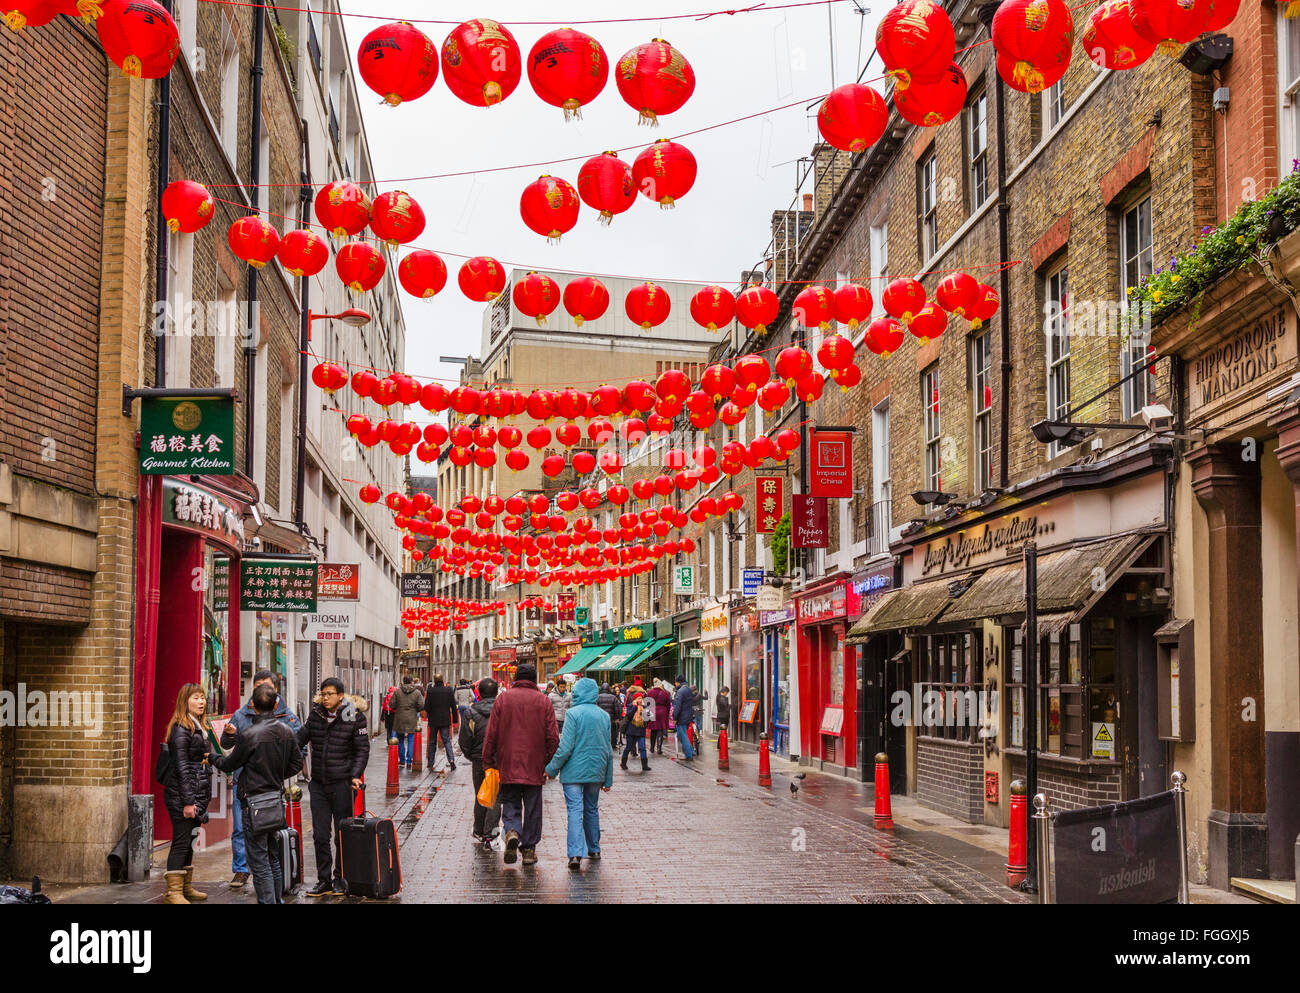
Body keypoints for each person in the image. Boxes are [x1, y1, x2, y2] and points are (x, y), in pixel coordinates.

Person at [211, 683, 304, 904]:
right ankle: (277, 901)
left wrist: (212, 757)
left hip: (254, 802)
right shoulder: (286, 731)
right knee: (272, 856)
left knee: (259, 860)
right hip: (274, 799)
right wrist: (276, 775)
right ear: (275, 704)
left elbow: (230, 764)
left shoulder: (250, 734)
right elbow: (297, 764)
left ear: (253, 704)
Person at [296, 678, 369, 896]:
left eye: (330, 694)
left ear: (340, 695)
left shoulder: (355, 717)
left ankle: (341, 878)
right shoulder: (316, 715)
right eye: (323, 694)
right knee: (320, 835)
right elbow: (299, 739)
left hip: (342, 784)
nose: (325, 698)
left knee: (341, 834)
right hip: (318, 784)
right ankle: (324, 880)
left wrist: (355, 775)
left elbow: (362, 750)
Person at [481, 662, 559, 866]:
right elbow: (553, 737)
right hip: (535, 763)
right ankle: (529, 850)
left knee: (511, 801)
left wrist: (488, 760)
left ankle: (513, 831)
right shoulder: (544, 701)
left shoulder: (503, 699)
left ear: (516, 678)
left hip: (508, 762)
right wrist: (549, 762)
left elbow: (491, 733)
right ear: (534, 680)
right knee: (533, 808)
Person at [544, 677, 614, 871]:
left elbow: (565, 747)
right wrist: (608, 778)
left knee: (575, 810)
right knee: (591, 808)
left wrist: (551, 769)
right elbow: (608, 750)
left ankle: (575, 854)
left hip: (574, 771)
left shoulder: (573, 714)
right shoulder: (603, 716)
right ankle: (594, 848)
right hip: (596, 769)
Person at [161, 683, 217, 904]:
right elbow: (182, 767)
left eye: (202, 697)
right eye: (195, 698)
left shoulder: (198, 727)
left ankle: (185, 887)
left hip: (195, 794)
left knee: (191, 840)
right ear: (185, 702)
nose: (201, 702)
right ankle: (173, 892)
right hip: (182, 795)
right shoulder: (181, 729)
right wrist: (187, 802)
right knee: (181, 841)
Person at [458, 677, 502, 847]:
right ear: (496, 692)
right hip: (498, 759)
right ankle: (491, 831)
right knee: (496, 795)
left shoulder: (471, 713)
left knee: (481, 792)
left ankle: (479, 829)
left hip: (479, 760)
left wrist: (472, 756)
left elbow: (465, 740)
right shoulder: (503, 711)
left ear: (479, 693)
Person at [423, 673, 458, 770]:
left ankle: (430, 762)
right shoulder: (448, 690)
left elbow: (426, 706)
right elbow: (453, 706)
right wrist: (455, 719)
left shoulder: (431, 690)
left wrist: (431, 712)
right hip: (444, 720)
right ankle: (451, 760)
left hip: (433, 720)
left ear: (434, 680)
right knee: (446, 741)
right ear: (442, 680)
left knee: (432, 741)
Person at [390, 675, 424, 769]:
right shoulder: (417, 693)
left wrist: (398, 707)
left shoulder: (397, 692)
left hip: (399, 717)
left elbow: (391, 704)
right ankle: (409, 761)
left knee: (400, 739)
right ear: (412, 682)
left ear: (403, 681)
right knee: (411, 739)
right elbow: (421, 705)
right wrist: (415, 709)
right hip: (412, 718)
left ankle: (402, 760)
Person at [619, 682, 651, 772]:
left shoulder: (645, 707)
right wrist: (634, 707)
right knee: (628, 747)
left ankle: (645, 765)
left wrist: (644, 712)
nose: (640, 700)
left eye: (641, 698)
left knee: (642, 748)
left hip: (641, 731)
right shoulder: (630, 706)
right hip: (631, 731)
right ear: (635, 699)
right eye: (638, 698)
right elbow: (628, 715)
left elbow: (649, 719)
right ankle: (623, 763)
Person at [672, 675, 696, 761]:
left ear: (678, 682)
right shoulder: (688, 690)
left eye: (675, 682)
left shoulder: (680, 692)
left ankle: (689, 755)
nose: (675, 684)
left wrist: (675, 718)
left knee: (683, 736)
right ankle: (691, 751)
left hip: (681, 717)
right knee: (682, 734)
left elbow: (677, 706)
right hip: (688, 716)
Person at [647, 679, 672, 755]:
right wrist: (667, 714)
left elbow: (647, 704)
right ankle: (659, 748)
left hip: (652, 711)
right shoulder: (665, 693)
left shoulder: (649, 692)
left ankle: (651, 747)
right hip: (662, 712)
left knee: (653, 730)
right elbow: (668, 705)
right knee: (660, 730)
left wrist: (647, 716)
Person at [595, 682, 621, 750]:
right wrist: (617, 717)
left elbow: (595, 708)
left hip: (600, 719)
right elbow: (617, 709)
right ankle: (613, 744)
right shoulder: (614, 698)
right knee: (613, 732)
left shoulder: (597, 697)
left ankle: (602, 744)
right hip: (611, 719)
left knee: (601, 732)